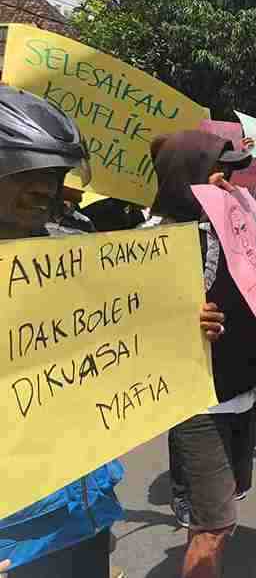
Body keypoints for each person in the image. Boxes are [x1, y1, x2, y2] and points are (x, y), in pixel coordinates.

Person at [0, 87, 224, 578]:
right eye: (25, 171)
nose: (46, 188)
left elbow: (113, 339)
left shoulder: (75, 250)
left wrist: (181, 330)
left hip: (85, 501)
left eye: (55, 174)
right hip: (14, 531)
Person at [149, 130, 256, 578]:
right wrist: (182, 323)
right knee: (215, 524)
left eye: (230, 173)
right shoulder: (153, 243)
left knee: (218, 518)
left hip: (241, 391)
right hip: (198, 402)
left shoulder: (238, 229)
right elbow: (131, 326)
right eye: (217, 172)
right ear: (186, 177)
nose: (229, 183)